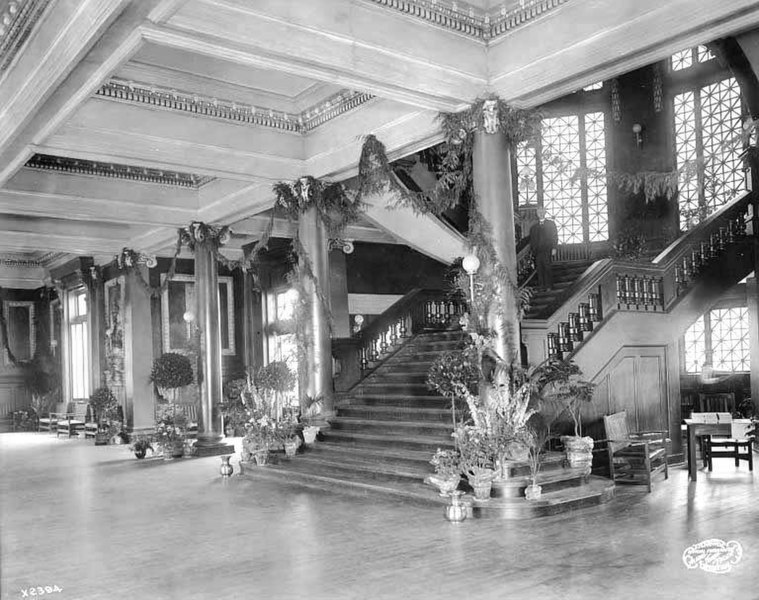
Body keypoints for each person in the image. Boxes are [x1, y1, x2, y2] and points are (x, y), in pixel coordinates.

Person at [529, 208, 558, 290]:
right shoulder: (533, 227)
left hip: (547, 249)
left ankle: (549, 286)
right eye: (538, 212)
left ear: (545, 213)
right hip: (537, 251)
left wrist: (554, 248)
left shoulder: (551, 224)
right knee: (539, 269)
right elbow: (532, 240)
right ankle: (541, 286)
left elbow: (554, 236)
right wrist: (532, 252)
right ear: (537, 214)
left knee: (547, 267)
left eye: (542, 212)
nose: (540, 213)